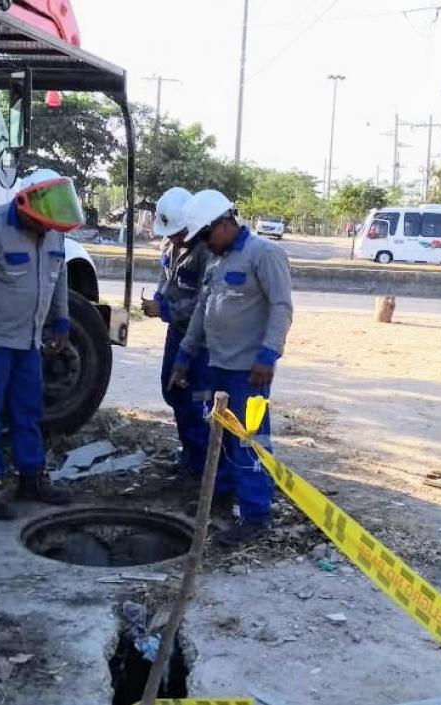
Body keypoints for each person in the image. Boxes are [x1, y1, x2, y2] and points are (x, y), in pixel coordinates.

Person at [0, 169, 83, 520]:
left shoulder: (52, 233)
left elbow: (59, 276)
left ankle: (31, 478)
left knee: (29, 412)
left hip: (30, 342)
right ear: (27, 203)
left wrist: (62, 318)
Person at [169, 190, 294, 547]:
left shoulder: (264, 254)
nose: (205, 244)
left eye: (207, 236)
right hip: (217, 366)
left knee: (250, 442)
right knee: (219, 437)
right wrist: (183, 356)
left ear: (224, 223)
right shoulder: (216, 261)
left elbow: (281, 308)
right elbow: (201, 313)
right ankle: (222, 494)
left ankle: (255, 515)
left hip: (249, 372)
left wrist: (268, 355)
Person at [141, 187, 211, 482]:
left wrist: (165, 310)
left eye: (178, 232)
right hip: (176, 335)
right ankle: (188, 457)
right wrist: (157, 300)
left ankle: (202, 468)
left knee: (196, 402)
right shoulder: (170, 247)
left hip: (201, 342)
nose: (173, 237)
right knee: (173, 393)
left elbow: (204, 301)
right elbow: (164, 280)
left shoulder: (206, 252)